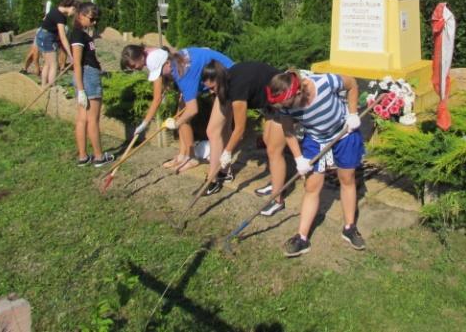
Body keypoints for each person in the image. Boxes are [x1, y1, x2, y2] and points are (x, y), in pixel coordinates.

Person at [266, 69, 364, 257]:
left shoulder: (324, 83)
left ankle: (349, 228)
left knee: (347, 179)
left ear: (297, 92)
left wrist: (353, 113)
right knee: (311, 186)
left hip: (344, 132)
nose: (280, 108)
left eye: (283, 104)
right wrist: (298, 158)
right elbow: (288, 130)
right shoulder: (284, 106)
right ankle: (302, 238)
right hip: (316, 139)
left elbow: (351, 83)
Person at [120, 44, 233, 172]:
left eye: (161, 74)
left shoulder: (182, 73)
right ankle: (186, 156)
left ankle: (206, 164)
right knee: (182, 114)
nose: (162, 78)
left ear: (167, 64)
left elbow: (192, 109)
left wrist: (175, 124)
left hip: (228, 79)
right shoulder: (173, 62)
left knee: (213, 129)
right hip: (215, 76)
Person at [201, 60, 287, 212]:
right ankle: (276, 184)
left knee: (274, 150)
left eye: (213, 88)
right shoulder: (229, 79)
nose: (212, 92)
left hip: (282, 98)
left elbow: (240, 129)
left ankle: (278, 199)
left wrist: (227, 152)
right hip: (269, 101)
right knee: (268, 141)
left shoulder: (237, 89)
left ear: (220, 80)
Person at [70, 3, 114, 167]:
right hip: (87, 78)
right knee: (92, 120)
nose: (94, 22)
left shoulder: (80, 34)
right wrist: (81, 89)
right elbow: (76, 63)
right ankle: (98, 157)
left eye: (97, 19)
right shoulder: (78, 35)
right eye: (92, 18)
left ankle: (83, 157)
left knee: (82, 119)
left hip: (86, 76)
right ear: (81, 15)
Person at [35, 0, 76, 87]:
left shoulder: (55, 9)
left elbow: (45, 18)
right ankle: (51, 88)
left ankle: (43, 86)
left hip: (41, 35)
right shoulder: (60, 17)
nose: (73, 15)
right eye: (74, 12)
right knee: (54, 64)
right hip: (48, 38)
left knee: (47, 64)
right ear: (72, 7)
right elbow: (63, 37)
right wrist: (70, 55)